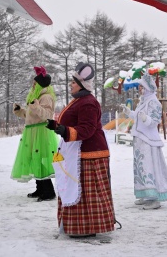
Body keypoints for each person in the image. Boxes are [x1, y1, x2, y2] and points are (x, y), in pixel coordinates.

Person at [47, 62, 115, 237]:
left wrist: (65, 130)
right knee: (74, 188)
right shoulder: (79, 101)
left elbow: (87, 129)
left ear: (83, 85)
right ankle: (74, 226)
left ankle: (87, 228)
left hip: (89, 154)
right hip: (77, 152)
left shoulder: (88, 103)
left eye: (74, 82)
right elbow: (74, 124)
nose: (71, 84)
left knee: (84, 192)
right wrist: (57, 126)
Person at [122, 72, 167, 210]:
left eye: (141, 86)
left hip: (148, 141)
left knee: (149, 167)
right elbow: (139, 116)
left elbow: (154, 121)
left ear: (148, 87)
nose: (139, 89)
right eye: (139, 87)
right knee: (141, 168)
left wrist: (146, 119)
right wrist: (129, 113)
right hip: (140, 138)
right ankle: (145, 193)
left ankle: (154, 197)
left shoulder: (154, 102)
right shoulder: (143, 101)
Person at [11, 66, 58, 202]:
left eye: (35, 83)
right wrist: (21, 111)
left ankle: (49, 191)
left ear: (40, 84)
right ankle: (40, 188)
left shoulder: (46, 97)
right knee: (34, 158)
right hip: (32, 131)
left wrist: (36, 106)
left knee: (42, 159)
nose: (33, 85)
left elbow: (48, 115)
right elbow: (31, 115)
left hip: (41, 132)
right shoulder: (37, 97)